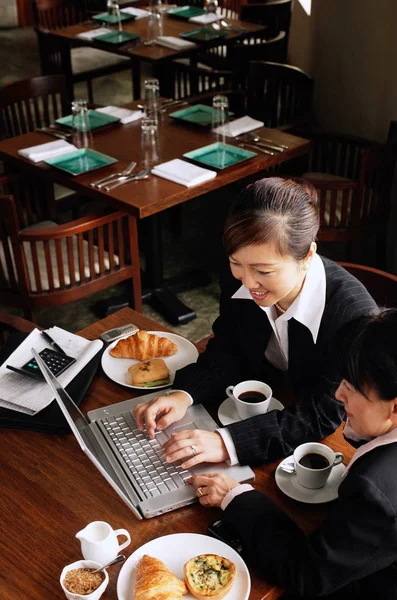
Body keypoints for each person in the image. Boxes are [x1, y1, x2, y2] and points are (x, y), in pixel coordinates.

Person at [134, 177, 377, 467]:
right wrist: (184, 395)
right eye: (236, 263)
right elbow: (228, 348)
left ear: (307, 256)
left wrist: (227, 443)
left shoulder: (352, 315)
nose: (248, 282)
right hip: (257, 400)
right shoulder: (240, 278)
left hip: (311, 438)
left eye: (263, 270)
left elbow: (321, 414)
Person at [187, 309, 397, 599]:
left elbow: (307, 575)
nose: (338, 395)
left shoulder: (375, 491)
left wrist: (235, 497)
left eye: (350, 387)